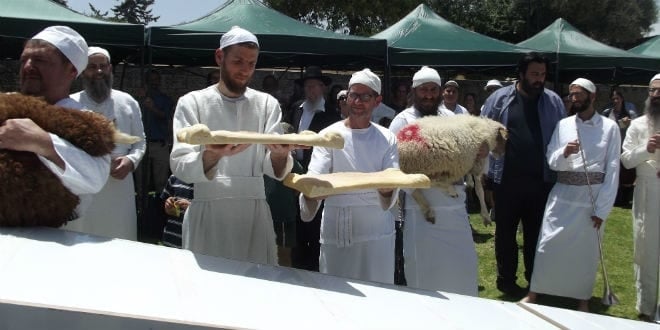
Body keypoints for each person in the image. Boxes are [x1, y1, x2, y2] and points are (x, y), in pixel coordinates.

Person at [170, 26, 295, 264]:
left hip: (253, 214)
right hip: (209, 212)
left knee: (256, 290)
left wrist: (280, 155)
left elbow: (272, 166)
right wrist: (212, 155)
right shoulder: (192, 103)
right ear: (220, 57)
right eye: (238, 61)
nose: (245, 70)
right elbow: (180, 163)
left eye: (251, 63)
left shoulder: (267, 104)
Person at [521, 78, 620, 312]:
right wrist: (565, 152)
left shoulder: (610, 127)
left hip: (591, 200)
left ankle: (582, 298)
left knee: (585, 253)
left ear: (592, 97)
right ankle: (535, 292)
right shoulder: (563, 124)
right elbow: (552, 161)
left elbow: (613, 169)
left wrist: (602, 209)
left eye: (579, 94)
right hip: (562, 195)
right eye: (571, 94)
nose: (573, 98)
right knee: (547, 245)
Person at [299, 68, 399, 284]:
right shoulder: (329, 135)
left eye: (365, 96)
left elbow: (392, 179)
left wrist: (387, 189)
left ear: (377, 100)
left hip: (377, 232)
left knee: (378, 295)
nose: (358, 101)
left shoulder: (387, 138)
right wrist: (312, 192)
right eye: (353, 95)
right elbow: (315, 177)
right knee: (338, 298)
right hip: (339, 231)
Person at [3, 25, 109, 223]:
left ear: (71, 70)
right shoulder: (5, 106)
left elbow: (96, 178)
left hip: (59, 239)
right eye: (24, 60)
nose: (28, 67)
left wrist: (42, 142)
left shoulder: (84, 121)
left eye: (40, 60)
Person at [481, 52, 565, 296]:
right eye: (534, 74)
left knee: (536, 235)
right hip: (506, 180)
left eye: (543, 75)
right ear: (521, 74)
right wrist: (486, 180)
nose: (539, 79)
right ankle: (506, 281)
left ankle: (534, 282)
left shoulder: (554, 102)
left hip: (542, 181)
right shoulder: (499, 100)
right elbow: (483, 137)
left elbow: (561, 137)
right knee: (505, 235)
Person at [389, 66, 478, 295]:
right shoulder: (402, 122)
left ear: (440, 92)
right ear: (414, 91)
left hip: (455, 208)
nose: (429, 95)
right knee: (424, 274)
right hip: (421, 210)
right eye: (424, 90)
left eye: (433, 90)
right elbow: (394, 166)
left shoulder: (453, 119)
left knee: (462, 268)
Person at [68, 47, 146, 240]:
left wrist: (130, 161)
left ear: (110, 68)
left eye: (103, 66)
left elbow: (140, 142)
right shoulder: (71, 104)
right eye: (92, 67)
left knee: (120, 238)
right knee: (82, 240)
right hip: (84, 186)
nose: (99, 71)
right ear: (83, 71)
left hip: (118, 186)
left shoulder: (127, 102)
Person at [288, 65, 342, 271]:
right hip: (295, 170)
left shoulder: (330, 114)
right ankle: (298, 261)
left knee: (315, 219)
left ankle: (313, 264)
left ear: (322, 88)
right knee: (298, 219)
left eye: (314, 86)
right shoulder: (296, 109)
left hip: (318, 172)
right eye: (307, 86)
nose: (310, 90)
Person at [620, 73, 660, 323]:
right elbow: (625, 159)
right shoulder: (637, 125)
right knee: (645, 250)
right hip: (647, 190)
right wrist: (647, 149)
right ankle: (646, 306)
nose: (657, 95)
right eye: (653, 90)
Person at [602, 88, 639, 206]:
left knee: (626, 174)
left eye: (617, 98)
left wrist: (630, 123)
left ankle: (625, 200)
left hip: (625, 147)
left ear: (622, 99)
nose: (615, 101)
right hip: (611, 147)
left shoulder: (630, 114)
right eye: (613, 99)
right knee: (613, 173)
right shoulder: (607, 113)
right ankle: (614, 199)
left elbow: (638, 127)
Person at [160, 175, 194, 248]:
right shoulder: (174, 178)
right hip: (170, 238)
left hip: (190, 242)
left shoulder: (205, 185)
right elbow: (164, 206)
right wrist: (168, 205)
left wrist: (191, 208)